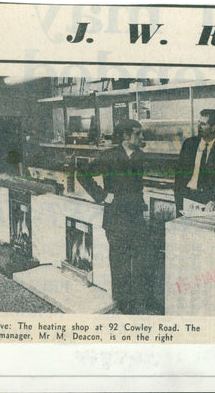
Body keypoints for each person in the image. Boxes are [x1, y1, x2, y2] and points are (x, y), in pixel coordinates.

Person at [76, 119, 149, 315]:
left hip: (136, 215)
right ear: (126, 136)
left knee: (139, 258)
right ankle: (122, 302)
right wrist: (102, 195)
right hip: (116, 217)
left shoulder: (140, 156)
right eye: (138, 133)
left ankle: (138, 300)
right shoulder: (109, 156)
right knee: (119, 260)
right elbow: (82, 174)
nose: (142, 137)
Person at [174, 109, 215, 213]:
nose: (198, 127)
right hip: (186, 197)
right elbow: (179, 174)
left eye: (203, 124)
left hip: (209, 203)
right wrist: (179, 199)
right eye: (198, 122)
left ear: (214, 127)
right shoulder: (189, 144)